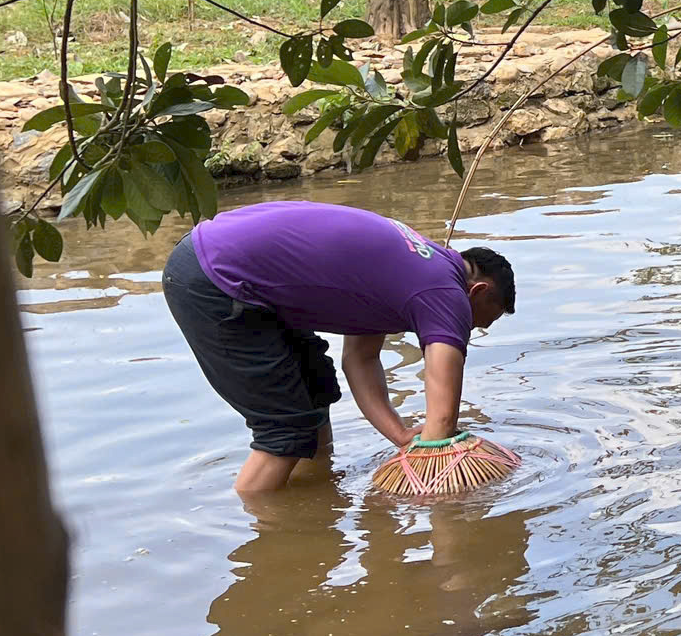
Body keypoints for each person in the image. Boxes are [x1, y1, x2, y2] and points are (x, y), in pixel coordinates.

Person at [162, 200, 517, 495]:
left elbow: (360, 359)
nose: (464, 329)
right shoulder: (446, 292)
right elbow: (441, 420)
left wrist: (401, 436)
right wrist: (441, 475)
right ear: (478, 291)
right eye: (475, 322)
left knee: (314, 389)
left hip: (235, 274)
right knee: (286, 428)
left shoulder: (417, 265)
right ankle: (264, 527)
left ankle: (313, 507)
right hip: (215, 279)